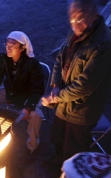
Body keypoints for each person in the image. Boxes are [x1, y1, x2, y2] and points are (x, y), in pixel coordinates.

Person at [42, 0, 111, 162]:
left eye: (80, 17)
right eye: (72, 18)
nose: (74, 23)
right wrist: (55, 85)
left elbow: (85, 85)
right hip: (64, 101)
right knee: (57, 137)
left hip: (83, 110)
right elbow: (60, 57)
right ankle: (57, 163)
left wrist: (54, 97)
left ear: (95, 15)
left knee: (73, 150)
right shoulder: (77, 32)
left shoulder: (103, 44)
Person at [0, 31, 44, 152]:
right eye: (7, 45)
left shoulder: (32, 64)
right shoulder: (3, 59)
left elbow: (38, 89)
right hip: (9, 93)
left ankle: (32, 146)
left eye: (12, 46)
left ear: (22, 48)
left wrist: (29, 107)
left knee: (36, 116)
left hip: (26, 96)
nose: (8, 49)